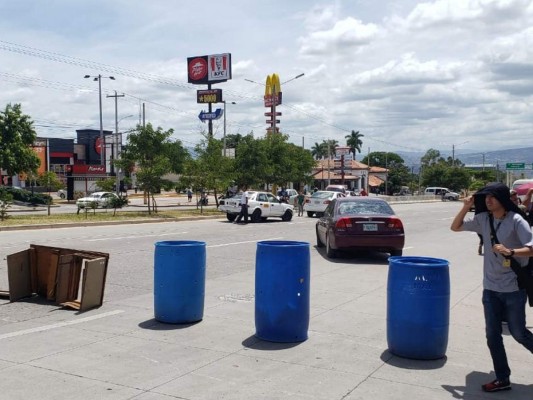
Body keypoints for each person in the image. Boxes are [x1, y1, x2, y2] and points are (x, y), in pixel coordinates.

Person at [450, 183, 533, 392]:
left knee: (519, 333)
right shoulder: (483, 219)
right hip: (490, 289)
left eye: (492, 197)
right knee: (492, 335)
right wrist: (465, 206)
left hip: (513, 288)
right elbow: (455, 227)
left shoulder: (516, 220)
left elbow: (532, 248)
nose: (488, 200)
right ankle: (502, 378)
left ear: (502, 199)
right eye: (485, 197)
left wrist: (511, 251)